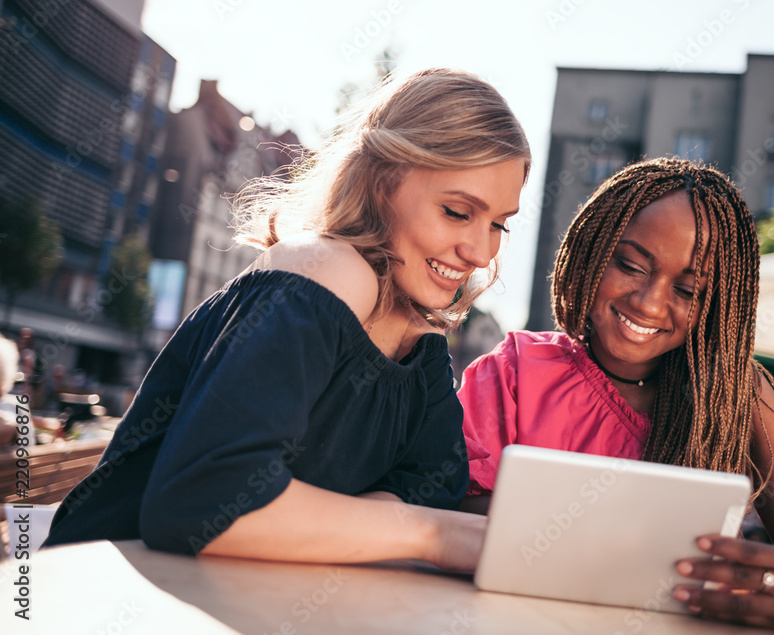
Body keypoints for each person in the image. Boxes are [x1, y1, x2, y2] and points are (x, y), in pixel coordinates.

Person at [44, 68, 531, 572]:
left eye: (498, 223)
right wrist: (429, 535)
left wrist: (411, 524)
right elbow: (206, 503)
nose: (479, 251)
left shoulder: (421, 336)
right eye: (457, 211)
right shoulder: (330, 268)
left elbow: (429, 494)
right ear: (384, 182)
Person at [458, 157, 774, 628]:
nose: (649, 302)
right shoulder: (514, 372)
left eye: (688, 291)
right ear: (593, 249)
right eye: (630, 265)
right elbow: (460, 512)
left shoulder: (732, 397)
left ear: (716, 305)